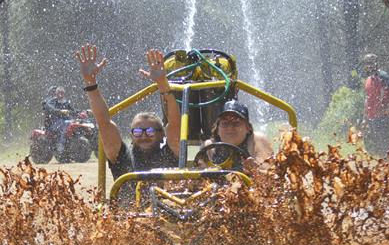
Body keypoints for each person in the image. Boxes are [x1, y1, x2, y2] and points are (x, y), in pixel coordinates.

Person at [75, 44, 181, 182]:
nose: (143, 136)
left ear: (162, 135)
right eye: (137, 132)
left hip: (164, 203)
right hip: (126, 204)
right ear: (131, 136)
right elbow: (103, 122)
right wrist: (90, 82)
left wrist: (162, 83)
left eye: (149, 131)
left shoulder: (170, 154)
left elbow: (175, 124)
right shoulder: (122, 158)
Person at [202, 100, 273, 170]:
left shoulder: (257, 141)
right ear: (217, 129)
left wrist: (255, 170)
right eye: (225, 123)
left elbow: (271, 174)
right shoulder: (209, 148)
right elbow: (198, 176)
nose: (230, 128)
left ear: (248, 128)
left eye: (236, 123)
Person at [362, 53, 389, 157]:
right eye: (368, 63)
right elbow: (367, 99)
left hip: (383, 115)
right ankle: (383, 162)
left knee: (384, 140)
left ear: (376, 63)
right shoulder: (368, 80)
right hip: (372, 116)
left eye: (371, 63)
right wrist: (364, 117)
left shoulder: (383, 76)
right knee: (376, 142)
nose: (369, 66)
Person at [42, 85, 76, 153]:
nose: (60, 94)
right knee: (65, 123)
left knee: (75, 123)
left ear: (64, 93)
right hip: (52, 123)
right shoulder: (51, 101)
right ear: (56, 93)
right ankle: (61, 143)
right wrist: (59, 111)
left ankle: (73, 142)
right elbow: (51, 109)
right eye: (59, 93)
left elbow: (73, 110)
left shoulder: (66, 102)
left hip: (65, 121)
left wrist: (83, 111)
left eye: (62, 93)